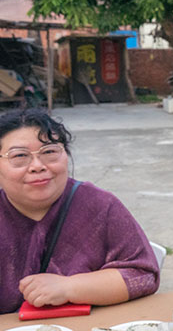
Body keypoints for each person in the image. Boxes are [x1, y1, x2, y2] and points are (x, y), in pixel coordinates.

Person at [0, 108, 160, 314]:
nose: (37, 166)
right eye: (20, 156)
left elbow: (143, 275)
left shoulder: (101, 206)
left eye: (49, 152)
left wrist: (69, 287)